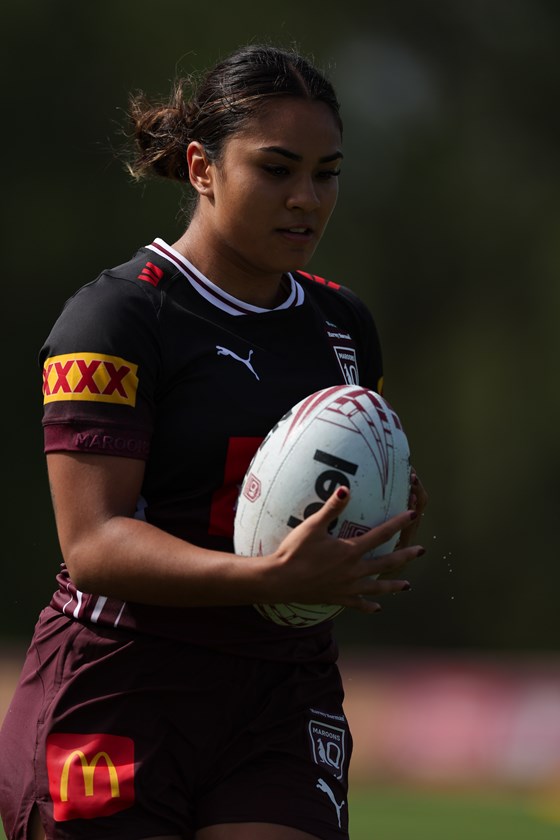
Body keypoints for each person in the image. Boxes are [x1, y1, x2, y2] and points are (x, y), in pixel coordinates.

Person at [0, 43, 427, 840]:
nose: (306, 198)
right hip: (123, 681)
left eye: (327, 173)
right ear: (202, 167)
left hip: (282, 690)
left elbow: (336, 493)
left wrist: (378, 518)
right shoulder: (118, 319)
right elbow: (92, 544)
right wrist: (268, 575)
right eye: (276, 169)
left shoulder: (342, 325)